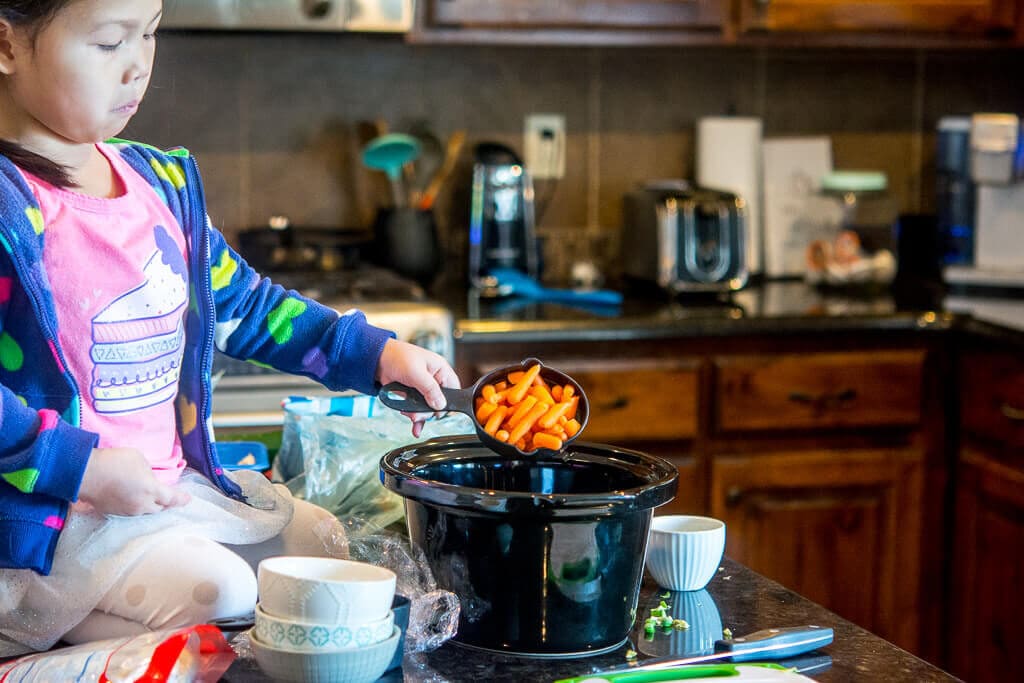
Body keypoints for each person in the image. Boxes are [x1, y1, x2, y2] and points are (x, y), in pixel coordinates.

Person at [0, 0, 459, 655]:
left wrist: (378, 354)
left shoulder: (156, 183)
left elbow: (251, 305)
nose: (137, 66)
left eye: (150, 34)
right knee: (226, 591)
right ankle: (34, 639)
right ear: (8, 46)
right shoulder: (9, 205)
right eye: (109, 42)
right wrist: (85, 468)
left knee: (320, 540)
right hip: (60, 521)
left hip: (167, 496)